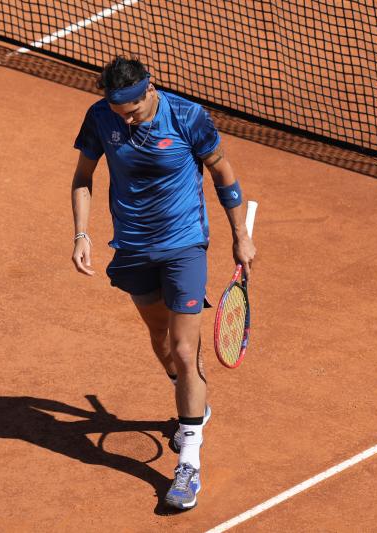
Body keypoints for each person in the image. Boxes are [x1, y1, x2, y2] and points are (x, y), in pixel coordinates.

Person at [70, 56, 256, 510]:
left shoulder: (188, 117)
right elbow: (83, 177)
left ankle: (188, 462)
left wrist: (241, 235)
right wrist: (81, 233)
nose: (127, 121)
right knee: (161, 339)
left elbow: (222, 171)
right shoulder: (100, 117)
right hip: (133, 247)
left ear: (150, 90)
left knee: (185, 350)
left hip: (184, 244)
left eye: (133, 111)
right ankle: (193, 398)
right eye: (120, 113)